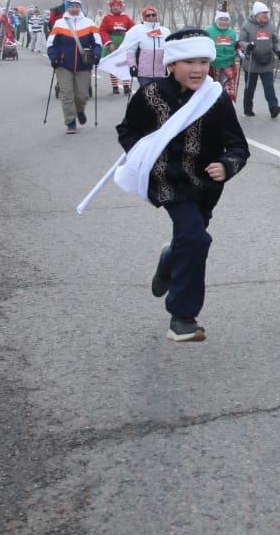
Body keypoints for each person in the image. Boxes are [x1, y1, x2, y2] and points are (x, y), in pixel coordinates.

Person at [97, 29, 250, 343]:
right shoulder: (150, 95)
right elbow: (127, 130)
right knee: (195, 238)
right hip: (166, 180)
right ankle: (182, 317)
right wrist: (143, 155)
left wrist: (227, 165)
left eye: (203, 62)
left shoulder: (216, 98)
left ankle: (169, 259)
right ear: (171, 65)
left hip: (204, 186)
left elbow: (238, 146)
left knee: (190, 239)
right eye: (189, 62)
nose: (198, 69)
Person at [47, 0, 104, 133]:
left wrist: (96, 54)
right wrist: (54, 57)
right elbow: (51, 43)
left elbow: (97, 43)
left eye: (77, 6)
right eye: (71, 6)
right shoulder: (59, 24)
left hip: (84, 64)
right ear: (67, 8)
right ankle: (70, 122)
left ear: (80, 8)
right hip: (63, 65)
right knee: (66, 94)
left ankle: (79, 110)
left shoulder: (89, 23)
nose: (74, 9)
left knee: (82, 95)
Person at [98, 5, 172, 88]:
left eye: (153, 15)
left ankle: (126, 86)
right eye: (148, 15)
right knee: (148, 94)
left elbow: (170, 50)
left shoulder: (165, 31)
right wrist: (132, 66)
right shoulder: (138, 30)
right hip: (144, 73)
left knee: (158, 94)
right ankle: (117, 86)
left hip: (160, 73)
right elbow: (131, 51)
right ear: (144, 17)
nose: (151, 17)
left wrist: (172, 66)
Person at [238, 1, 280, 118]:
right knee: (250, 88)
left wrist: (279, 51)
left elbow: (275, 42)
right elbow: (241, 41)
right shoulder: (246, 25)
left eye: (266, 13)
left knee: (269, 87)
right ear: (256, 14)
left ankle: (273, 108)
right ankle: (248, 109)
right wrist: (248, 46)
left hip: (267, 61)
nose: (265, 15)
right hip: (252, 61)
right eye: (263, 13)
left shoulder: (270, 26)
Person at [100, 0, 135, 95]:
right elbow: (102, 31)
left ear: (121, 6)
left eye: (117, 6)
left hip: (124, 43)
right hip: (112, 43)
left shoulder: (126, 18)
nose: (115, 8)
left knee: (125, 64)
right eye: (113, 6)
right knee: (113, 64)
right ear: (110, 7)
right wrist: (109, 43)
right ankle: (115, 86)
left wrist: (130, 42)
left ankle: (126, 86)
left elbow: (133, 30)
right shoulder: (107, 18)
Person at [205, 4, 241, 102]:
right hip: (213, 65)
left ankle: (230, 107)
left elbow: (237, 46)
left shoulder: (232, 33)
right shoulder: (208, 31)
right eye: (221, 19)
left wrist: (241, 52)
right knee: (214, 91)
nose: (223, 22)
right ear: (216, 20)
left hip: (229, 65)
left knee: (229, 91)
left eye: (226, 20)